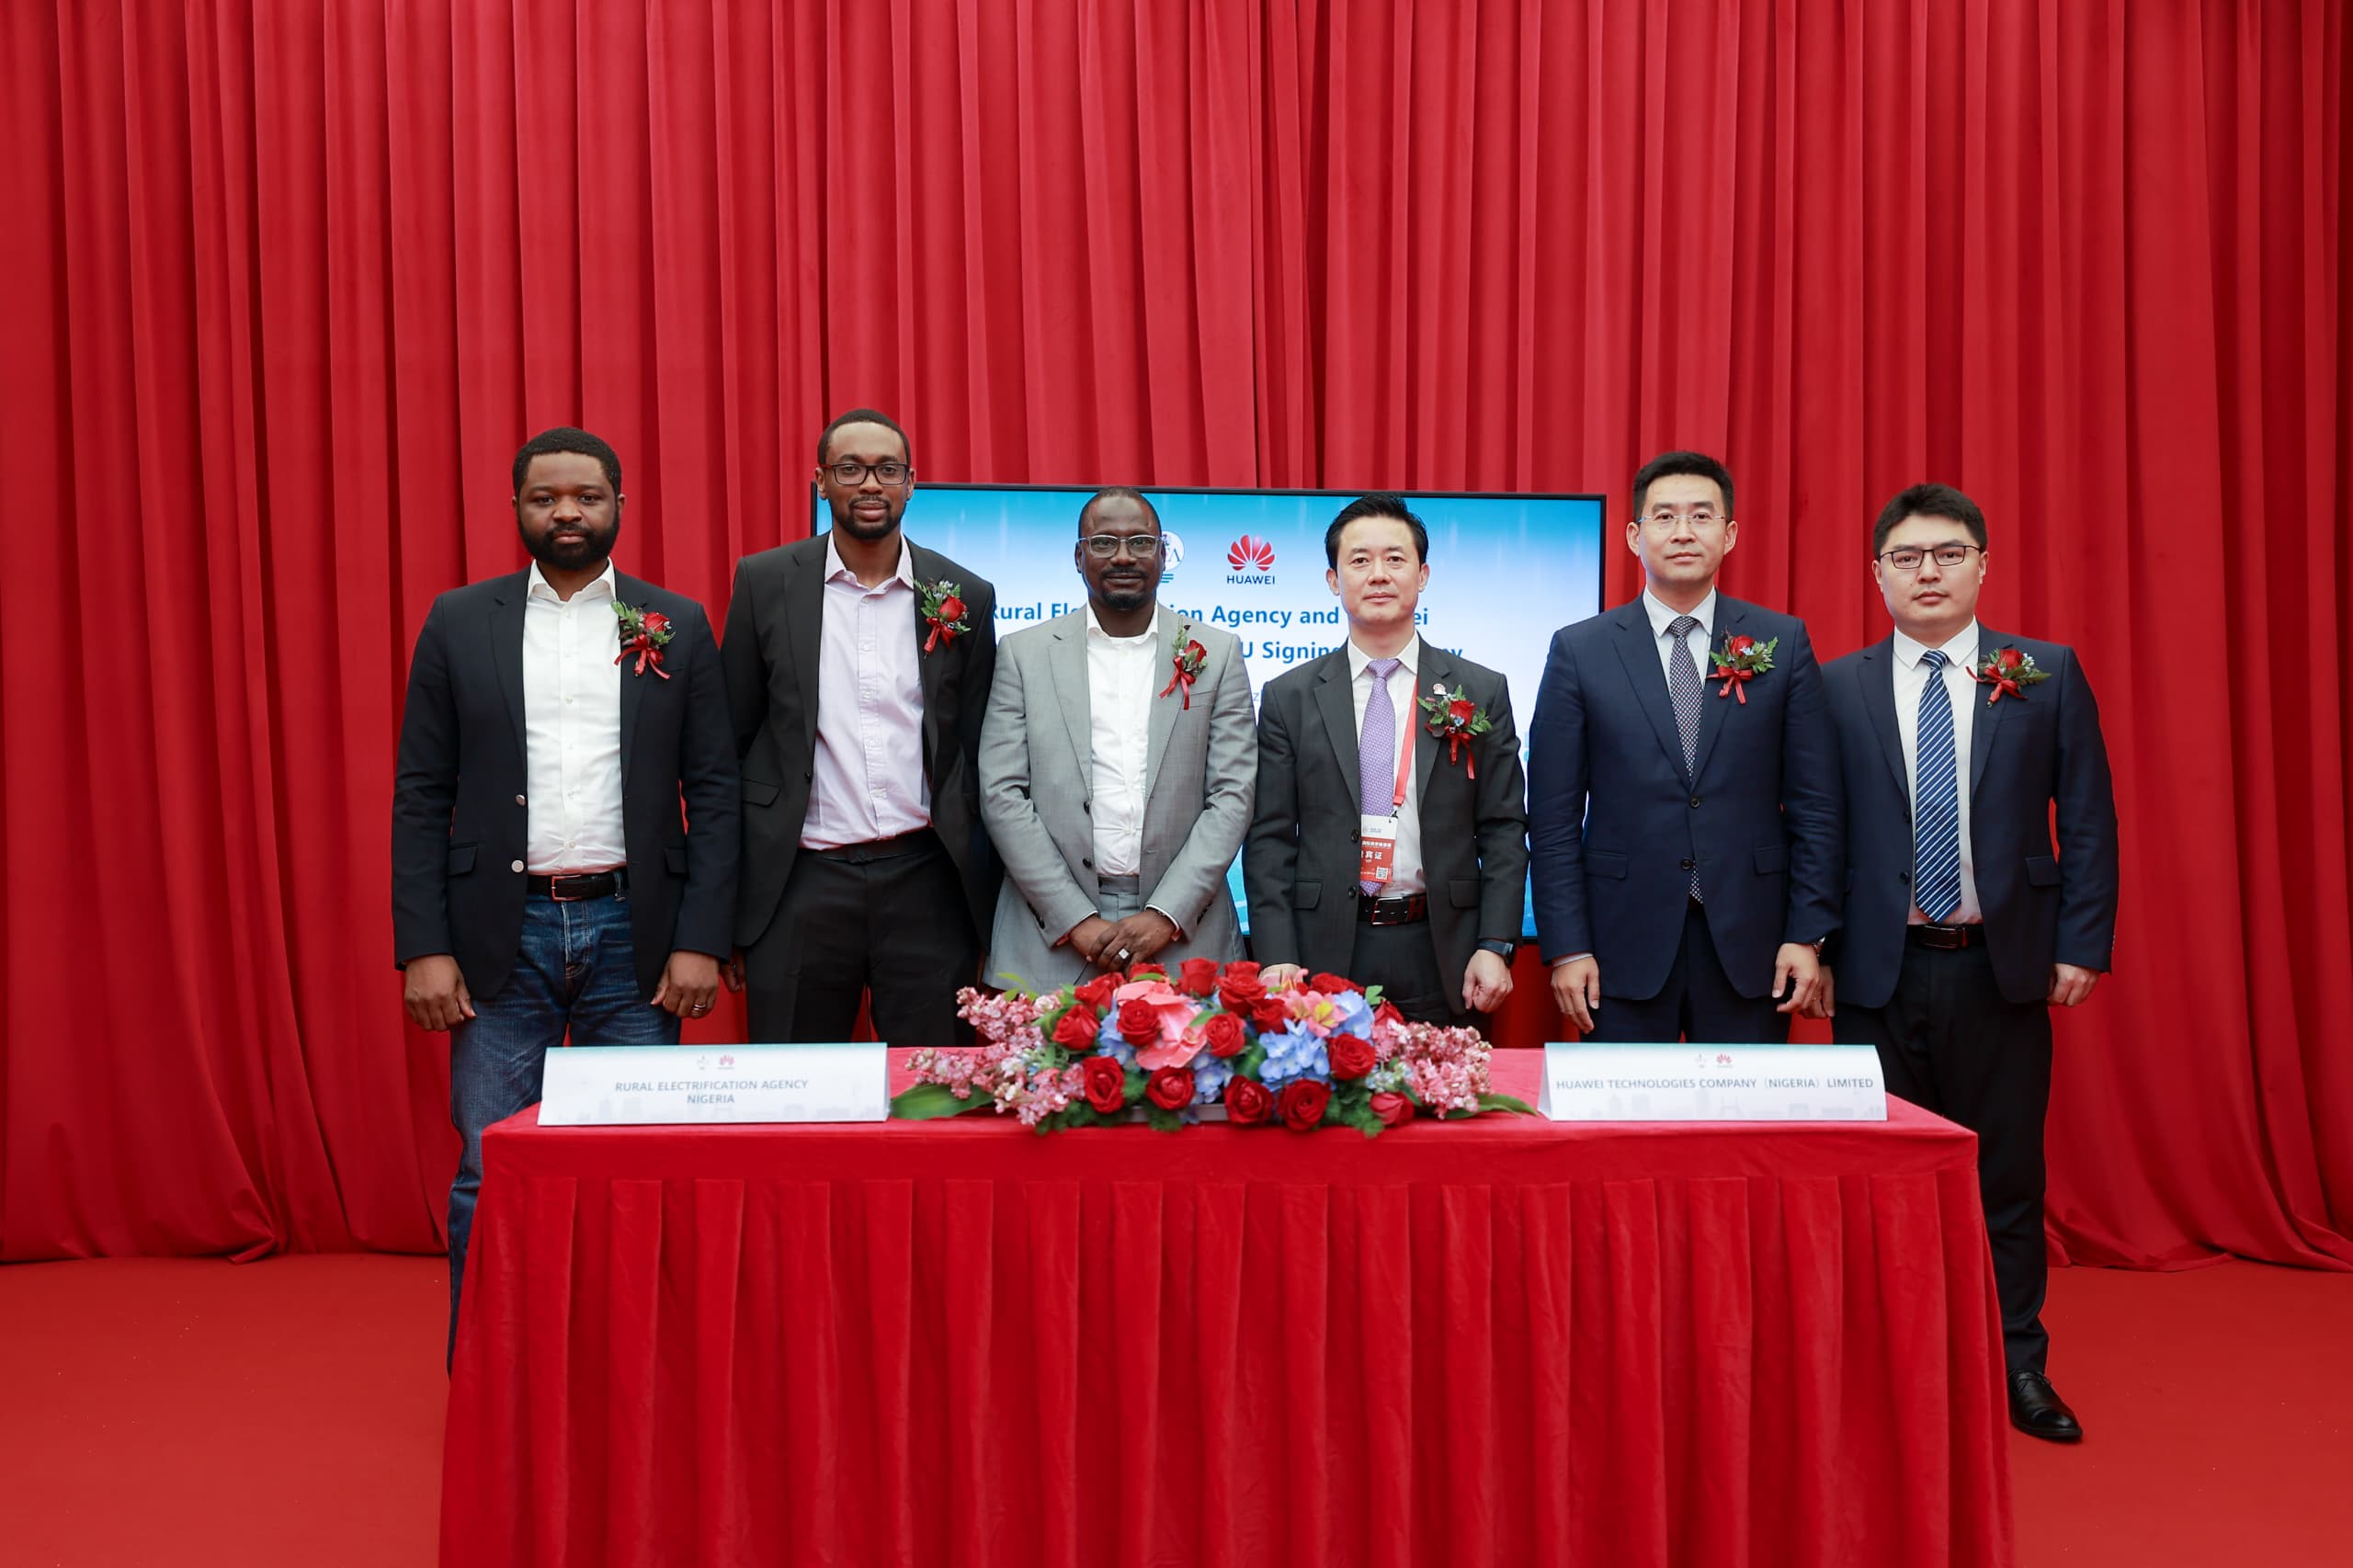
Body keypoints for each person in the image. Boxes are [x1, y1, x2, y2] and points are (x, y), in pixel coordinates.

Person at [392, 426, 738, 1356]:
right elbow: (422, 790)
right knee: (491, 1165)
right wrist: (424, 945)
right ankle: (494, 1373)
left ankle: (639, 1369)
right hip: (502, 935)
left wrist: (701, 935)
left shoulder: (675, 621)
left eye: (587, 495)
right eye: (547, 497)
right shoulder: (460, 620)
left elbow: (714, 789)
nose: (568, 511)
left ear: (620, 505)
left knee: (643, 1167)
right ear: (517, 510)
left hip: (639, 933)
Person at [1813, 482, 2118, 1441]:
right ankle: (1887, 1369)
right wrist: (1812, 943)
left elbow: (2092, 818)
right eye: (1907, 557)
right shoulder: (1835, 685)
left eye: (1947, 553)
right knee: (1876, 1181)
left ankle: (2015, 1362)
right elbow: (1813, 830)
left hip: (2001, 962)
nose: (1928, 572)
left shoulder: (2044, 672)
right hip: (1875, 969)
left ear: (1982, 563)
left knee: (2005, 1177)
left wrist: (2081, 941)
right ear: (1877, 575)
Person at [1528, 449, 1838, 1040]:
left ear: (1730, 533)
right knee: (1623, 1129)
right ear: (1634, 535)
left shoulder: (1783, 641)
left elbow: (1815, 805)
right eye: (1665, 517)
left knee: (1744, 1128)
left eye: (1701, 516)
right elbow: (1553, 817)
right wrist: (1568, 947)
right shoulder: (1580, 650)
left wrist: (1807, 934)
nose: (1683, 532)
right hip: (1620, 945)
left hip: (1755, 944)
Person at [720, 409, 999, 1043]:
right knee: (793, 1094)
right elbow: (731, 741)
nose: (869, 484)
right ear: (821, 481)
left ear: (910, 483)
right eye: (850, 469)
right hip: (800, 880)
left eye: (886, 470)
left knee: (931, 1091)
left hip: (928, 879)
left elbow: (979, 750)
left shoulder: (965, 594)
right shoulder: (765, 583)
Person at [1245, 494, 1528, 1023]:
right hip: (1324, 947)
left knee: (1441, 1099)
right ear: (1333, 580)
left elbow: (1504, 829)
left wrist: (1496, 943)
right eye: (1359, 561)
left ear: (1422, 576)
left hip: (1445, 946)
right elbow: (1269, 837)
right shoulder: (1290, 696)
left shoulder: (1480, 690)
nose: (1378, 574)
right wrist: (1278, 953)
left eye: (1395, 559)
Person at [978, 488, 1254, 988]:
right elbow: (1002, 794)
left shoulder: (1217, 652)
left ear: (1164, 555)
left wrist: (1166, 913)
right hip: (1049, 940)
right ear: (1078, 556)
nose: (1123, 556)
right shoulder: (1022, 654)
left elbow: (1233, 797)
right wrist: (1073, 918)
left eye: (1141, 542)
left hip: (1185, 939)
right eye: (1104, 542)